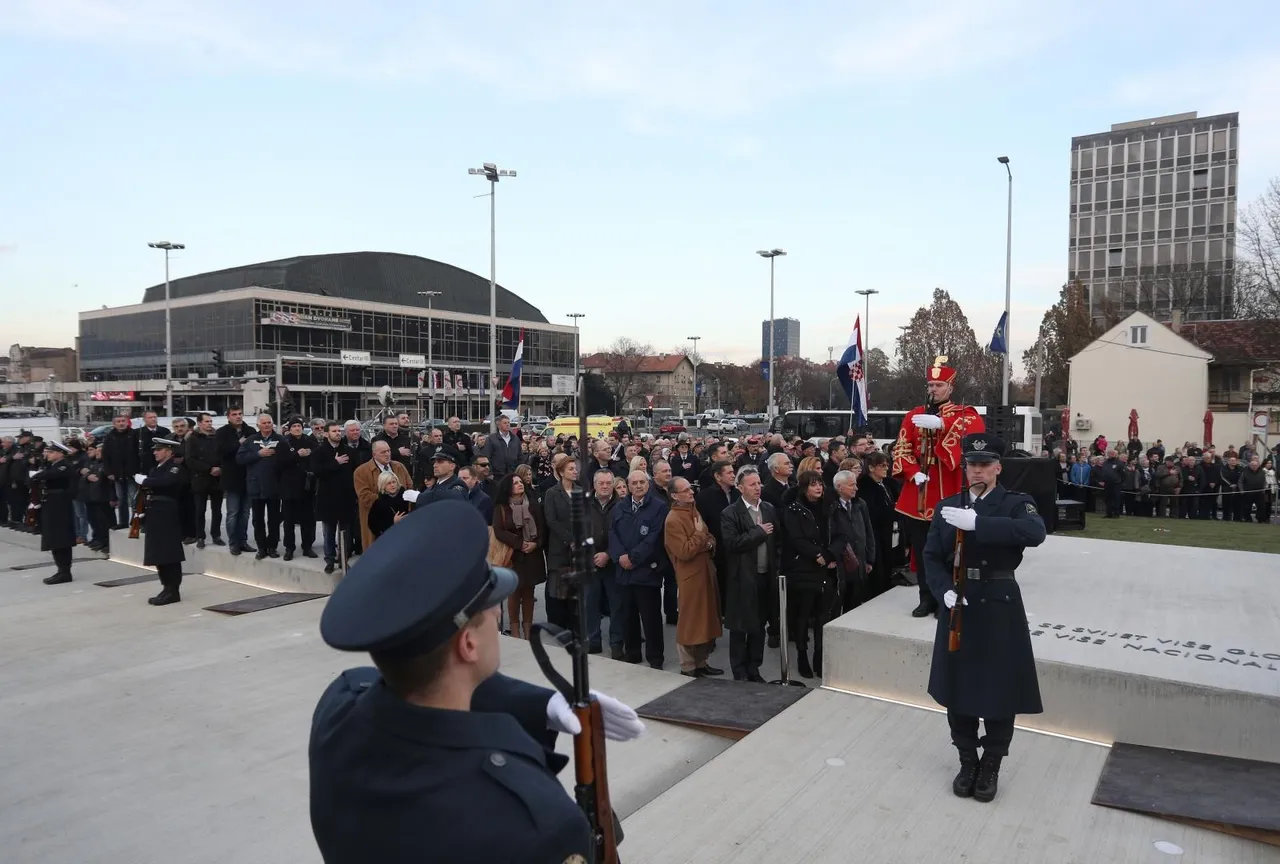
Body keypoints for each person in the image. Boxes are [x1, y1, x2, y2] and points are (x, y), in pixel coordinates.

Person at [308, 499, 645, 863]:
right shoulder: (539, 825)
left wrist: (541, 704)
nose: (498, 611)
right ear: (468, 644)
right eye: (490, 605)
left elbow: (397, 681)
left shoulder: (337, 711)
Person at [923, 432, 1045, 803]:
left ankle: (991, 762)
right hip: (959, 603)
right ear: (964, 468)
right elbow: (931, 556)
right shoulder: (949, 505)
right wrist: (941, 588)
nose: (977, 471)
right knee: (958, 685)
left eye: (984, 465)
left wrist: (980, 525)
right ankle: (966, 759)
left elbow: (1035, 532)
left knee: (999, 688)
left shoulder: (1015, 503)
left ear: (997, 468)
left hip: (998, 602)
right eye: (971, 465)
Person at [892, 355, 985, 618]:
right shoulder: (914, 414)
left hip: (951, 493)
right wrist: (912, 473)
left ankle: (950, 596)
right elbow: (901, 447)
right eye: (931, 385)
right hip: (919, 494)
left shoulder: (964, 414)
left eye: (939, 385)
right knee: (924, 553)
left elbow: (974, 430)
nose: (933, 389)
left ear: (950, 388)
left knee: (951, 550)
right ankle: (927, 598)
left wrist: (943, 424)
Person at [134, 438, 189, 606]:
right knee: (158, 553)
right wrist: (139, 512)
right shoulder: (155, 469)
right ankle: (166, 587)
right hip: (153, 513)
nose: (155, 452)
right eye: (155, 450)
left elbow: (166, 483)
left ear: (169, 452)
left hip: (167, 513)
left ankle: (173, 590)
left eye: (159, 449)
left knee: (169, 552)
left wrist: (145, 481)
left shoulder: (174, 468)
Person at [33, 441, 78, 585]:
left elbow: (47, 475)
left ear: (60, 453)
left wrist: (38, 475)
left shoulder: (64, 466)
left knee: (60, 537)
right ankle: (61, 570)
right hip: (51, 502)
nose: (48, 454)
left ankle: (65, 571)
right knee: (53, 537)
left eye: (51, 452)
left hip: (60, 504)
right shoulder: (52, 465)